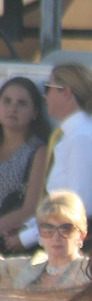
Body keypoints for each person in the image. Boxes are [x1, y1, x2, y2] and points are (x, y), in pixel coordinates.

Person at [3, 63, 92, 256]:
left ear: (66, 92)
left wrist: (27, 237)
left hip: (77, 245)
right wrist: (25, 229)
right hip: (57, 236)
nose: (44, 95)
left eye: (48, 88)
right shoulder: (71, 136)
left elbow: (78, 209)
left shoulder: (82, 139)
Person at [0, 190, 88, 290]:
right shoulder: (29, 267)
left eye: (65, 229)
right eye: (47, 229)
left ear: (81, 234)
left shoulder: (90, 274)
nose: (56, 237)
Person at [0, 76, 51, 242]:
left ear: (35, 112)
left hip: (8, 239)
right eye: (7, 101)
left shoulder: (38, 151)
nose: (13, 108)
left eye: (21, 103)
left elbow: (29, 209)